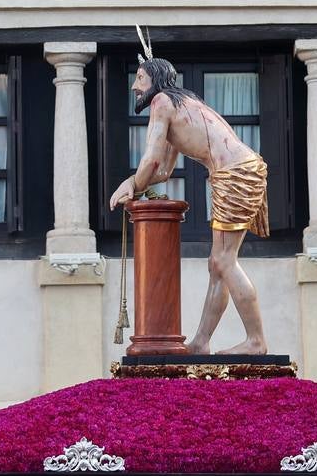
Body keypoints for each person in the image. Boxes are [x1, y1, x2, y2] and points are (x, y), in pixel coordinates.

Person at [109, 55, 268, 356]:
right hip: (239, 171)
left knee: (224, 261)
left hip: (234, 173)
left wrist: (131, 182)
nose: (134, 87)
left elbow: (149, 160)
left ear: (155, 81)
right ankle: (201, 342)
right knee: (218, 263)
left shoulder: (162, 103)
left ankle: (256, 341)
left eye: (140, 79)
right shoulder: (180, 104)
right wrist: (141, 182)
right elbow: (163, 171)